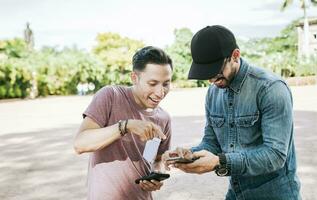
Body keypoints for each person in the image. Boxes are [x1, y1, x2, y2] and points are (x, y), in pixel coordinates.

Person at [162, 25, 301, 199]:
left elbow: (275, 155)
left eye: (217, 72)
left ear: (235, 55)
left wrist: (221, 162)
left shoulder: (271, 89)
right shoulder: (213, 93)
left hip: (275, 194)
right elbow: (212, 142)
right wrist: (188, 154)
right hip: (237, 193)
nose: (213, 80)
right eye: (207, 75)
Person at [74, 46, 173, 200]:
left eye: (166, 84)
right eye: (153, 84)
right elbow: (80, 144)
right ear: (134, 78)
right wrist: (126, 126)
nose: (160, 92)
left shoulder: (163, 118)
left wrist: (157, 175)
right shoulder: (110, 96)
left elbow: (155, 159)